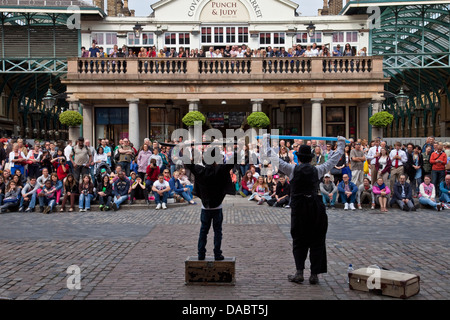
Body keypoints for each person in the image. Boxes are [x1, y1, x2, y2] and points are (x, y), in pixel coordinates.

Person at [275, 135, 346, 285]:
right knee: (317, 240)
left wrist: (268, 143)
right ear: (310, 158)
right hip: (315, 206)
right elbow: (334, 159)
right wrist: (340, 143)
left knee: (299, 239)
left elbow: (272, 158)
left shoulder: (292, 169)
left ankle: (299, 272)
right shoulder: (318, 169)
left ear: (299, 158)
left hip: (299, 207)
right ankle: (314, 275)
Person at [185, 146, 237, 261]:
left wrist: (186, 150)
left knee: (203, 231)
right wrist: (237, 149)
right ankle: (217, 254)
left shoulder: (200, 170)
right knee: (217, 231)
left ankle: (201, 254)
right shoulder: (221, 170)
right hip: (217, 206)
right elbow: (233, 161)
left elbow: (188, 164)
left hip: (206, 206)